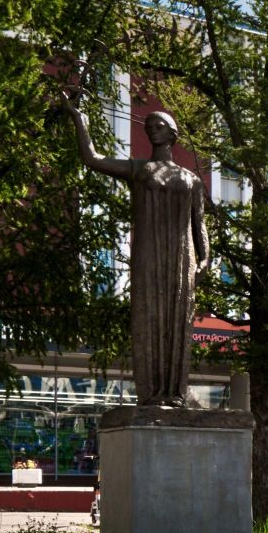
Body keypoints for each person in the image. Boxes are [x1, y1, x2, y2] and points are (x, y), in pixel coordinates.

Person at [62, 90, 209, 407]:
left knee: (178, 319)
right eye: (149, 126)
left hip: (182, 257)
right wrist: (79, 119)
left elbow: (199, 224)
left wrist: (206, 258)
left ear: (172, 134)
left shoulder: (192, 179)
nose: (152, 130)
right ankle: (152, 393)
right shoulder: (139, 169)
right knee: (149, 315)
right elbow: (93, 159)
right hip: (149, 252)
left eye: (159, 126)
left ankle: (174, 393)